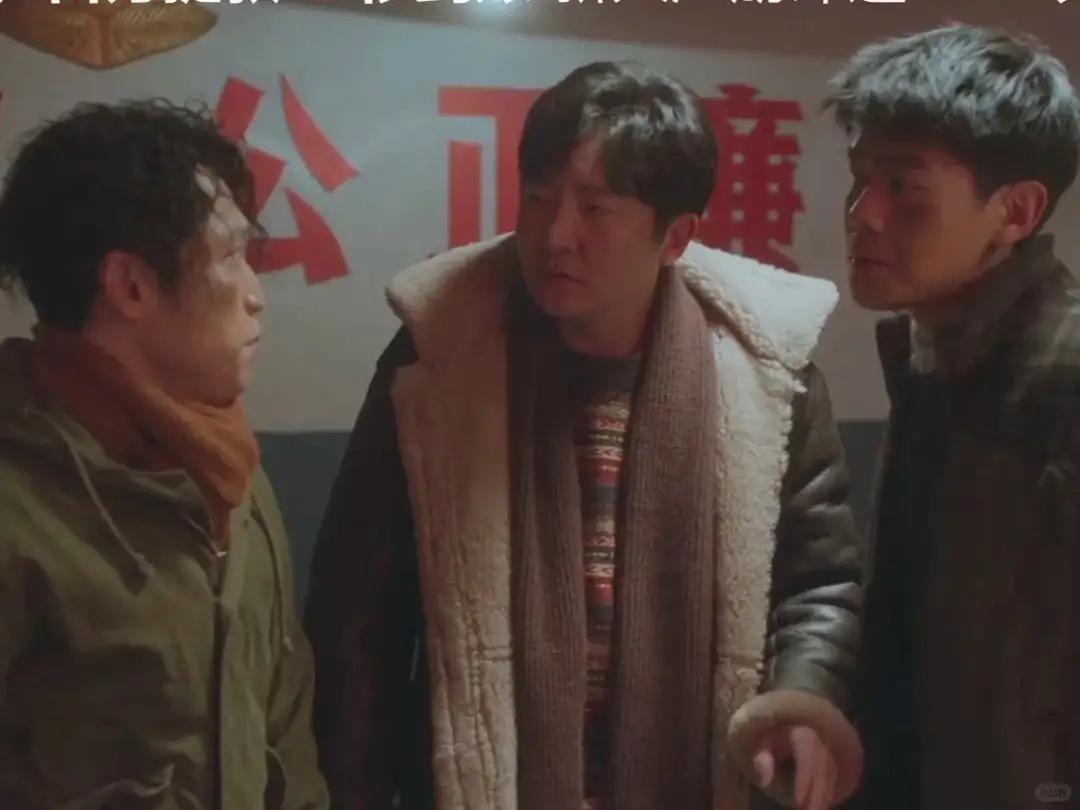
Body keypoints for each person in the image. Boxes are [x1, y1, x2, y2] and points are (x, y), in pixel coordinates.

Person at [307, 61, 864, 810]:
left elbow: (820, 583)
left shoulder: (765, 375)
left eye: (596, 209)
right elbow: (354, 617)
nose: (555, 236)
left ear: (676, 237)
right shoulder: (438, 360)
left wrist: (802, 699)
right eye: (538, 200)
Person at [0, 100, 328, 809]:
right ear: (131, 286)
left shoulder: (229, 471)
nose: (257, 296)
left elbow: (286, 725)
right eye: (231, 257)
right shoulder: (20, 501)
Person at [827, 24, 1080, 810]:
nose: (863, 214)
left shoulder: (1062, 378)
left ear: (1015, 212)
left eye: (904, 187)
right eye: (860, 180)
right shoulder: (928, 358)